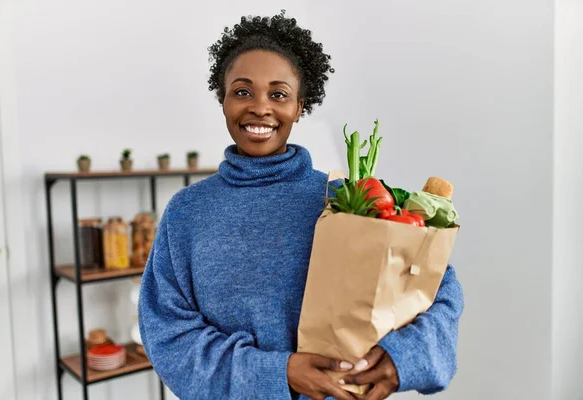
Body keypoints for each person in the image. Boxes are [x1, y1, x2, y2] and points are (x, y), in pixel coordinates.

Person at [138, 10, 464, 400]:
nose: (260, 107)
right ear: (222, 99)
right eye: (242, 91)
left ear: (299, 105)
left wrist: (404, 358)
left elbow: (437, 285)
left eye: (279, 94)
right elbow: (168, 332)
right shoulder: (187, 212)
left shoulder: (350, 199)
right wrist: (278, 373)